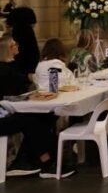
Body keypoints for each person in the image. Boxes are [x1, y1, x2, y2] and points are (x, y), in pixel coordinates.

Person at [0, 35, 75, 179]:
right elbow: (13, 91)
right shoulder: (3, 70)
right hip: (3, 116)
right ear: (7, 49)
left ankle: (24, 160)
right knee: (31, 120)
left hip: (11, 110)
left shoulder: (12, 66)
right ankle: (47, 162)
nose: (18, 46)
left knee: (46, 116)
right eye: (14, 44)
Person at [5, 0, 39, 75]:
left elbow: (8, 24)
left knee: (17, 51)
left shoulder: (14, 11)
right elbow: (33, 24)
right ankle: (29, 70)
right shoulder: (30, 11)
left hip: (16, 34)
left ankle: (18, 70)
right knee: (30, 51)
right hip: (28, 34)